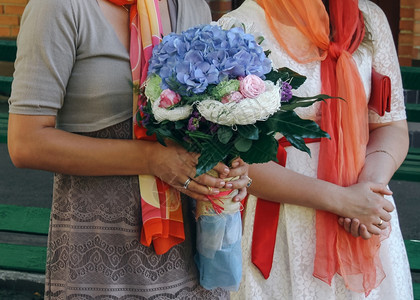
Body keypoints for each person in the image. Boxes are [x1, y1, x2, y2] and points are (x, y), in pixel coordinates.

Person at [7, 0, 249, 298]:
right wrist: (152, 159)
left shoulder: (191, 6)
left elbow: (204, 120)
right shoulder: (59, 7)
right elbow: (26, 143)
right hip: (102, 251)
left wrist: (229, 164)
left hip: (189, 254)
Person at [218, 0, 413, 299]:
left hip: (365, 211)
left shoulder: (368, 17)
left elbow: (390, 126)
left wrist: (369, 190)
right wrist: (342, 200)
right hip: (285, 216)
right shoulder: (237, 27)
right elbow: (237, 158)